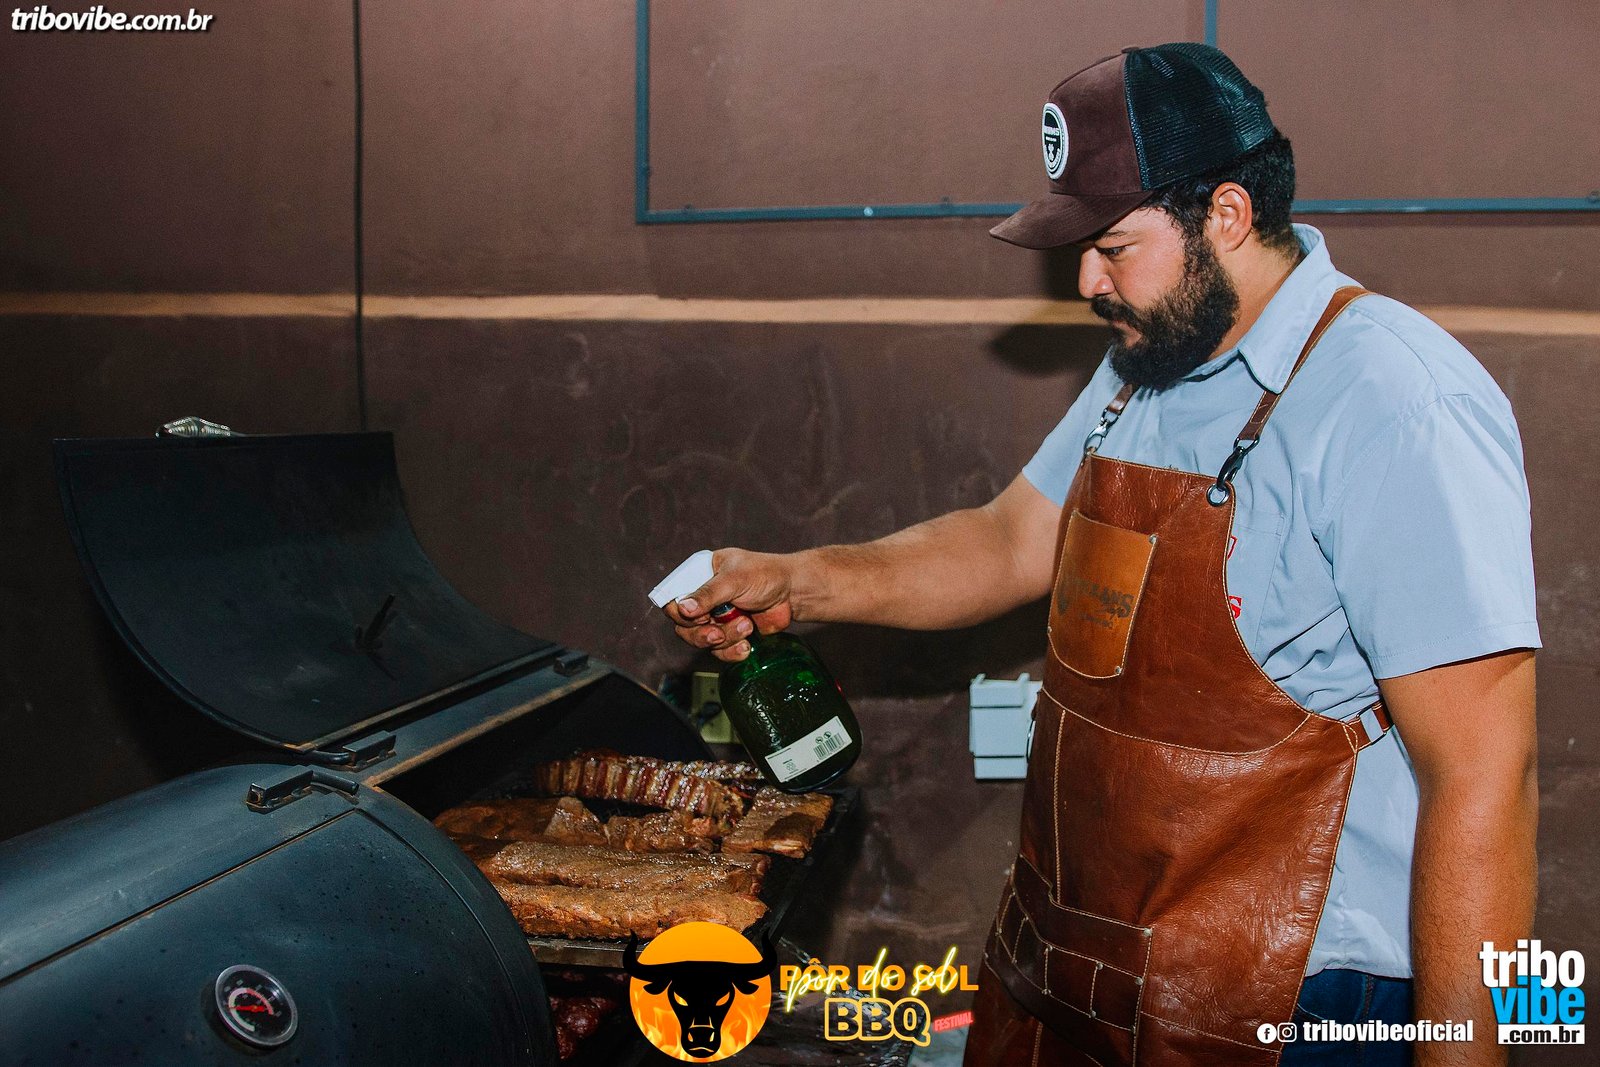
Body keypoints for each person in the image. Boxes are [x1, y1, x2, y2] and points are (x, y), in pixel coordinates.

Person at [663, 44, 1538, 1067]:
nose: (1086, 280)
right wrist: (797, 579)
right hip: (1094, 962)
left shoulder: (1394, 399)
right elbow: (1007, 539)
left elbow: (1485, 772)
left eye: (1114, 246)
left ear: (1226, 214)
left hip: (1304, 1004)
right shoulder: (1149, 367)